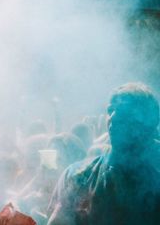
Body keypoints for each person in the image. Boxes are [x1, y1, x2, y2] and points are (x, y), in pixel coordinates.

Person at [47, 83, 160, 225]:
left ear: (147, 125)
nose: (113, 117)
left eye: (125, 112)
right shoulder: (78, 176)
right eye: (110, 110)